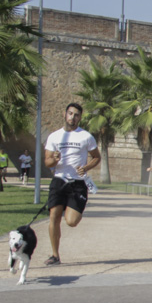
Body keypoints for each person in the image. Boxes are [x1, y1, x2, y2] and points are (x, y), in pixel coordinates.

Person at [43, 102, 101, 266]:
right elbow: (47, 162)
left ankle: (73, 208)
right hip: (59, 180)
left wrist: (86, 167)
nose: (72, 117)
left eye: (76, 115)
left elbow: (97, 157)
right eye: (70, 113)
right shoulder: (54, 136)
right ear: (65, 114)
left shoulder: (86, 136)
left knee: (71, 222)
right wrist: (54, 160)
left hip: (77, 183)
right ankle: (55, 255)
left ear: (80, 118)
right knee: (54, 216)